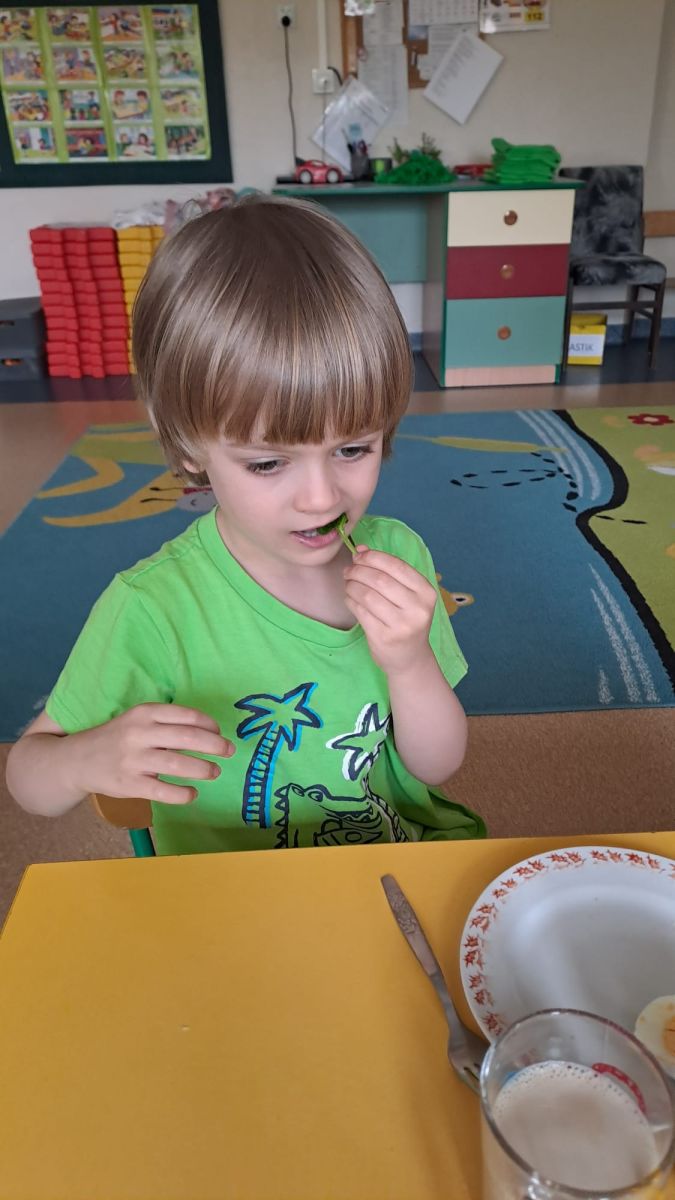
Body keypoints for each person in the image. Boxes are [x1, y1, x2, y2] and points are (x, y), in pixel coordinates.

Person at [6, 195, 484, 854]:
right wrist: (83, 759)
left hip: (379, 858)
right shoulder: (152, 607)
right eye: (267, 463)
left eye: (353, 448)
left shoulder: (397, 553)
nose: (320, 498)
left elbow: (436, 767)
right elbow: (29, 780)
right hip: (224, 893)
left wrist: (408, 664)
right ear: (188, 449)